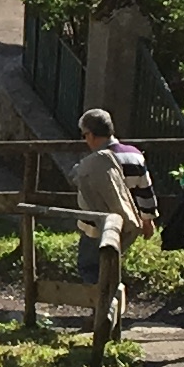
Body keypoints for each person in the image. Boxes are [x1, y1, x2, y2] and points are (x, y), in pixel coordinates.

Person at [67, 108, 150, 339]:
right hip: (127, 226)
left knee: (89, 266)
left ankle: (101, 311)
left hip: (94, 227)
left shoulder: (93, 161)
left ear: (91, 135)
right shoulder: (135, 155)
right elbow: (145, 190)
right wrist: (148, 219)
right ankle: (108, 310)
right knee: (112, 267)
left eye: (84, 135)